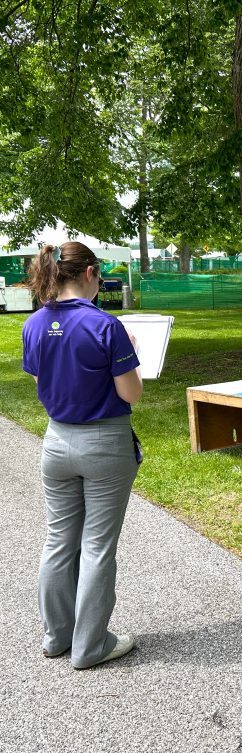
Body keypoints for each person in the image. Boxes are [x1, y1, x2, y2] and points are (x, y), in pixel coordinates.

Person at [22, 242, 143, 670]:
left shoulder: (34, 324)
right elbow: (131, 392)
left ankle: (57, 637)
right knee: (96, 546)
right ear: (90, 273)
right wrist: (129, 353)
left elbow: (41, 378)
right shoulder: (106, 326)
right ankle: (90, 645)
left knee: (58, 541)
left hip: (56, 443)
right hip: (104, 444)